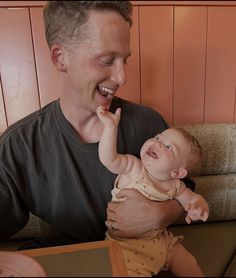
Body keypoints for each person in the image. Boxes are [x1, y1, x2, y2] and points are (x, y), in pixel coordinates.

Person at [0, 1, 193, 248]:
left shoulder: (150, 127)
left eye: (125, 60)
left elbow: (185, 188)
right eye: (106, 60)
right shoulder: (19, 146)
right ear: (60, 59)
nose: (122, 77)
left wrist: (162, 213)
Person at [97, 105, 209, 277]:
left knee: (189, 263)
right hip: (126, 245)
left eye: (169, 147)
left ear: (177, 173)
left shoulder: (176, 186)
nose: (157, 143)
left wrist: (199, 207)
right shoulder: (133, 167)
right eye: (157, 138)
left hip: (161, 241)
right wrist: (110, 128)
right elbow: (108, 159)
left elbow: (193, 199)